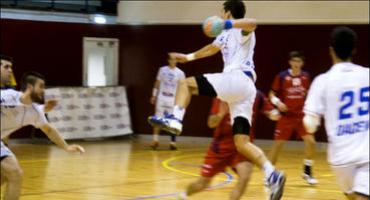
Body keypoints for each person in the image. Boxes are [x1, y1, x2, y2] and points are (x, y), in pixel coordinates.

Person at [149, 1, 286, 199]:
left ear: (227, 12)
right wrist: (187, 57)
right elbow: (211, 49)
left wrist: (228, 24)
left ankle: (175, 120)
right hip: (244, 91)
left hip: (238, 78)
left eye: (221, 12)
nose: (219, 15)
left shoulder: (240, 29)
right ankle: (272, 174)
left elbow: (253, 23)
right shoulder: (224, 34)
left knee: (186, 84)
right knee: (242, 143)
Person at [303, 26, 369, 200]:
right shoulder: (367, 74)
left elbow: (310, 125)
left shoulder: (322, 81)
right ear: (354, 49)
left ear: (331, 50)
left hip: (340, 159)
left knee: (356, 195)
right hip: (366, 153)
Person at [180, 90, 280, 200]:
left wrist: (274, 114)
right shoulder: (223, 94)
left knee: (244, 177)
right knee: (202, 183)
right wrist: (220, 114)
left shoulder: (256, 95)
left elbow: (271, 111)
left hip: (243, 147)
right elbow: (211, 124)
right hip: (220, 146)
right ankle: (183, 196)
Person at [1, 71, 85, 200]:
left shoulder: (34, 112)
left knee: (12, 174)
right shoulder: (7, 96)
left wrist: (66, 147)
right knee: (13, 173)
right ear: (30, 87)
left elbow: (49, 130)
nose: (43, 90)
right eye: (41, 86)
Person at [268, 51, 318, 185]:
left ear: (302, 63)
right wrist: (278, 103)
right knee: (278, 145)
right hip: (286, 116)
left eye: (299, 61)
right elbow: (271, 94)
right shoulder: (282, 76)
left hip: (301, 115)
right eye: (294, 61)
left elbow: (309, 94)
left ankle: (307, 172)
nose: (296, 64)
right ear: (290, 62)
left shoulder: (306, 77)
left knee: (311, 142)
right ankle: (269, 174)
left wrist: (311, 110)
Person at [0, 55, 57, 146]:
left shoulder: (9, 90)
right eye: (6, 67)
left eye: (11, 67)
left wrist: (42, 108)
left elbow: (19, 107)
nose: (10, 70)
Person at [149, 56, 185, 150]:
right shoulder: (162, 70)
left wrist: (180, 100)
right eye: (171, 59)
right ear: (168, 60)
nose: (173, 61)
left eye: (175, 59)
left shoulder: (180, 73)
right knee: (157, 119)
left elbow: (182, 88)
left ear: (177, 61)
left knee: (173, 121)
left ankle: (173, 143)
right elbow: (157, 82)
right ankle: (155, 141)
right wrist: (154, 95)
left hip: (173, 99)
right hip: (162, 97)